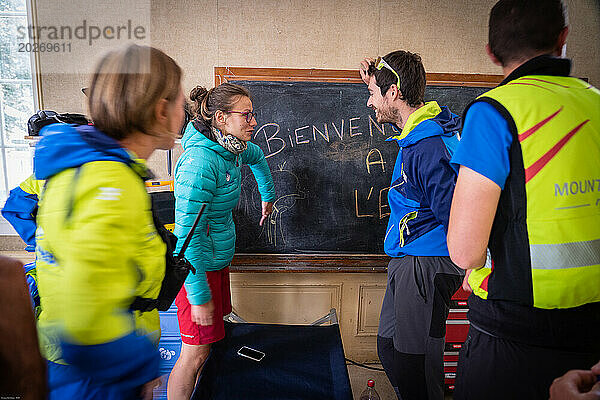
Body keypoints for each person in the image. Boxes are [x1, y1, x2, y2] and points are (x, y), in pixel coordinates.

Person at [447, 0, 600, 399]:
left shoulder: (493, 113)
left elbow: (465, 252)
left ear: (491, 52)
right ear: (563, 38)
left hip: (511, 339)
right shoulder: (597, 104)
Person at [33, 44, 186, 399]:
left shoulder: (91, 170)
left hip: (88, 368)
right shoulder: (109, 183)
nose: (186, 111)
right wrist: (135, 371)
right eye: (180, 101)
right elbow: (84, 314)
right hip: (97, 377)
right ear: (161, 110)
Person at [358, 51, 464, 400]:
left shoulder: (426, 147)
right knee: (389, 349)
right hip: (411, 262)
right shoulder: (423, 131)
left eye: (374, 94)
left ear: (393, 93)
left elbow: (454, 215)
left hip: (427, 265)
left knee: (416, 366)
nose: (369, 102)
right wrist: (375, 79)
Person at [167, 83, 275, 399]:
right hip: (195, 271)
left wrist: (267, 196)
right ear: (221, 118)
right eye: (247, 115)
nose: (254, 121)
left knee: (207, 348)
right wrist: (199, 296)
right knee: (193, 354)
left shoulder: (233, 148)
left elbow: (259, 159)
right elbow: (186, 240)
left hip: (216, 263)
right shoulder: (200, 163)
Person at [2, 174, 44, 314]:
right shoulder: (111, 171)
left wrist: (37, 239)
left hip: (50, 255)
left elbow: (14, 206)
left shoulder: (44, 174)